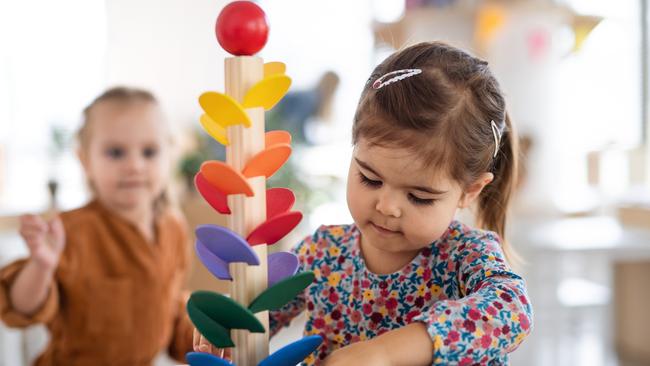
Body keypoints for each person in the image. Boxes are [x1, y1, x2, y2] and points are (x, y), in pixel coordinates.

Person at [195, 41, 533, 365]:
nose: (386, 206)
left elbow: (512, 310)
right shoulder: (322, 253)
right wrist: (229, 317)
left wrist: (386, 352)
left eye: (419, 197)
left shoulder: (466, 256)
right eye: (370, 178)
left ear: (469, 191)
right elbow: (259, 311)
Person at [0, 87, 195, 365]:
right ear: (85, 161)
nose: (134, 165)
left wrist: (207, 342)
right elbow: (20, 306)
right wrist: (41, 265)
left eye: (149, 152)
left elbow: (172, 310)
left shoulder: (173, 228)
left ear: (169, 157)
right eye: (116, 152)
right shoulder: (70, 232)